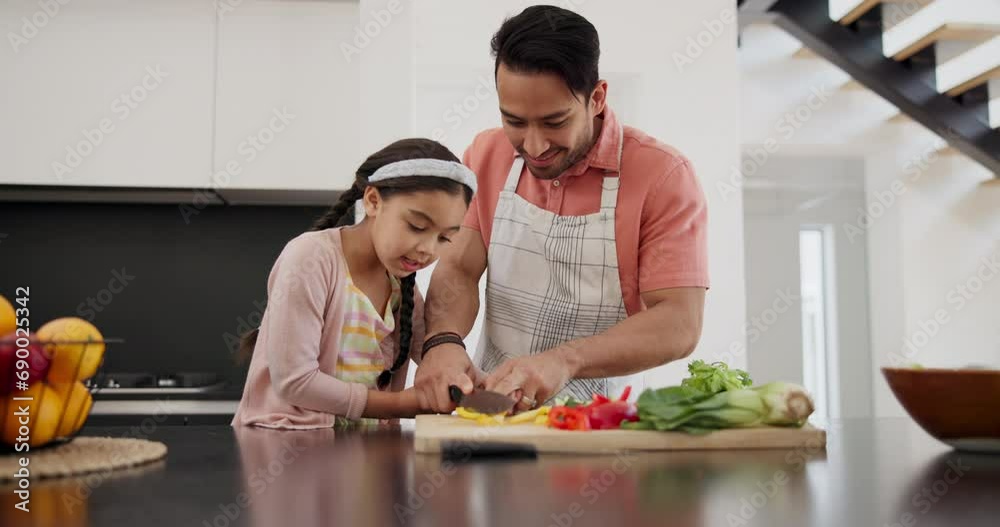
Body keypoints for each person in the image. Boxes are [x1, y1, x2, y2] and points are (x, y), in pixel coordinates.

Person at [416, 6, 710, 413]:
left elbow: (680, 321)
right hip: (490, 418)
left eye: (555, 121)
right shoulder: (485, 155)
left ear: (597, 98)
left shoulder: (662, 176)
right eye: (514, 121)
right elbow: (458, 269)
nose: (534, 146)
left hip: (600, 428)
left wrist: (565, 359)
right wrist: (443, 340)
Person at [232, 138, 476, 428]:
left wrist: (482, 383)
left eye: (444, 238)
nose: (428, 249)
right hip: (289, 446)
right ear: (373, 201)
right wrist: (399, 405)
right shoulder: (311, 258)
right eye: (417, 227)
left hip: (361, 460)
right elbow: (294, 382)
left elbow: (437, 357)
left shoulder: (400, 283)